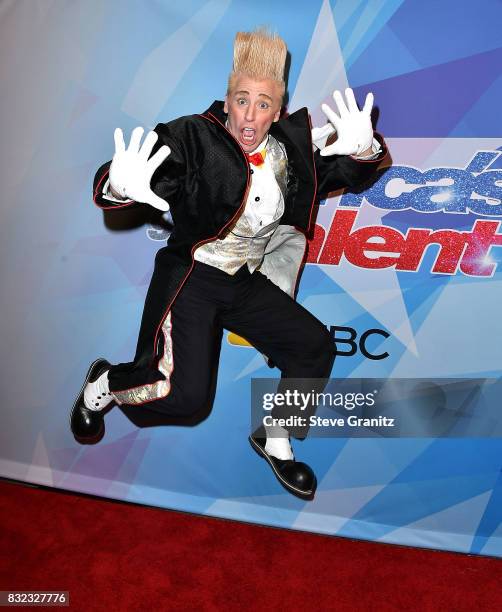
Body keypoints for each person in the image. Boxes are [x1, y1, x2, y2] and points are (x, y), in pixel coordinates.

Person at [70, 29, 386, 499]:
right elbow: (143, 170)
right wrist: (116, 184)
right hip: (192, 276)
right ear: (227, 100)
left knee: (314, 346)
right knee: (185, 396)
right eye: (242, 100)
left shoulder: (288, 152)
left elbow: (350, 172)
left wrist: (365, 149)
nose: (250, 116)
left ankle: (274, 436)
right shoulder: (194, 136)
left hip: (241, 279)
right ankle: (104, 382)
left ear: (277, 111)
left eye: (263, 104)